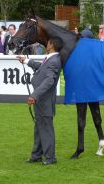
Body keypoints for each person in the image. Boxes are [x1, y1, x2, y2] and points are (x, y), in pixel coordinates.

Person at [17, 36, 63, 165]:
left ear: (52, 44)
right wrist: (26, 61)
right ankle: (36, 155)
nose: (45, 44)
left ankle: (50, 158)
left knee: (46, 129)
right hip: (41, 100)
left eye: (47, 42)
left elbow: (49, 80)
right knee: (39, 128)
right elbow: (40, 68)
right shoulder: (51, 58)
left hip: (44, 100)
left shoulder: (54, 60)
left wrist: (34, 95)